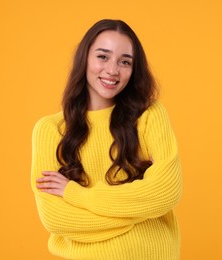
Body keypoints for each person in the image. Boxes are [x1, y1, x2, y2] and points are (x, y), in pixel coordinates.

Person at [30, 19, 182, 260]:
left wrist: (77, 195)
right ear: (85, 58)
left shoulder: (149, 115)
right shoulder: (50, 130)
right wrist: (137, 211)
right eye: (103, 56)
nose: (113, 70)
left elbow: (165, 193)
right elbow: (56, 218)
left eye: (124, 62)